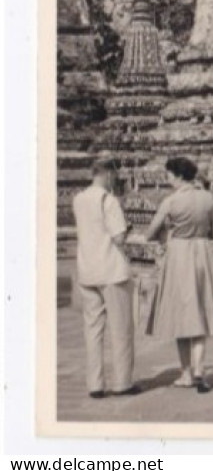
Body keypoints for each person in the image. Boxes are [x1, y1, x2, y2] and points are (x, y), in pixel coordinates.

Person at [145, 156, 213, 393]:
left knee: (182, 313)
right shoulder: (208, 198)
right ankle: (200, 370)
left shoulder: (170, 202)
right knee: (200, 309)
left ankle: (186, 373)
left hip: (179, 253)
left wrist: (168, 231)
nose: (167, 179)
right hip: (201, 252)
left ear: (178, 176)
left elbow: (150, 232)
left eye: (168, 175)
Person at [72, 155, 140, 399]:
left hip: (87, 271)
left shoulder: (78, 199)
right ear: (109, 174)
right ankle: (122, 382)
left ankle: (95, 384)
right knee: (121, 329)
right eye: (115, 176)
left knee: (92, 331)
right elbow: (119, 238)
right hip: (111, 271)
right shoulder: (108, 200)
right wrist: (128, 227)